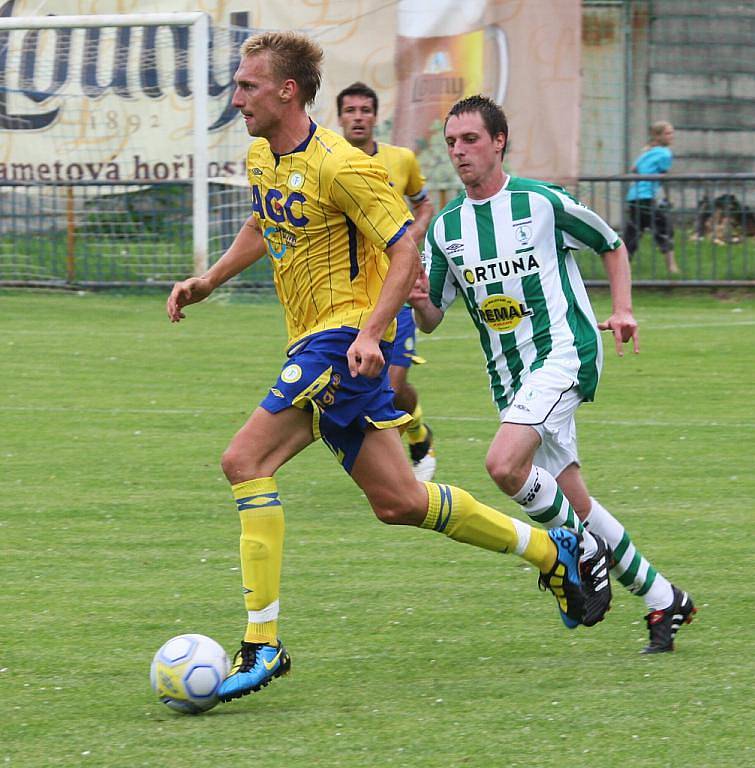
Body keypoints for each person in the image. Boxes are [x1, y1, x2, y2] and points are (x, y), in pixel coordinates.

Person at [166, 32, 613, 703]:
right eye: (237, 85)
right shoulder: (262, 154)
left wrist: (373, 332)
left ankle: (262, 646)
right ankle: (554, 554)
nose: (237, 98)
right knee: (399, 502)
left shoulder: (343, 166)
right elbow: (263, 224)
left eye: (248, 86)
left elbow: (404, 247)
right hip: (314, 343)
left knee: (243, 461)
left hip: (342, 341)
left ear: (287, 90)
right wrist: (208, 280)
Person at [410, 95, 696, 654]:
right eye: (450, 142)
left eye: (470, 139)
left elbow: (612, 245)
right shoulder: (446, 229)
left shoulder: (541, 202)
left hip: (563, 354)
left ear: (499, 142)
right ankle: (665, 599)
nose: (459, 151)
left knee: (502, 464)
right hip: (511, 380)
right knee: (577, 501)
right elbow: (434, 316)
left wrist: (624, 308)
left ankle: (578, 550)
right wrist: (419, 299)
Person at [337, 81, 436, 481]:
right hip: (355, 292)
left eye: (365, 110)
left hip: (398, 285)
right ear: (340, 116)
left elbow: (424, 202)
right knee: (366, 383)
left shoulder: (401, 159)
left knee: (392, 386)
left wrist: (411, 237)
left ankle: (412, 444)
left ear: (376, 117)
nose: (358, 117)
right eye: (351, 110)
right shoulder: (332, 161)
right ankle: (409, 438)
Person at [623, 121, 680, 275]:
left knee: (633, 233)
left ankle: (621, 268)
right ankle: (672, 268)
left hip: (634, 196)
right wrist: (667, 197)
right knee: (664, 229)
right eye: (668, 133)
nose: (672, 136)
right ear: (657, 135)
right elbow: (664, 176)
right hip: (647, 197)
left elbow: (633, 169)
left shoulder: (647, 152)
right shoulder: (665, 153)